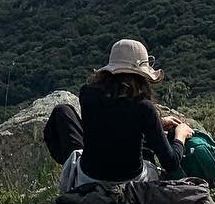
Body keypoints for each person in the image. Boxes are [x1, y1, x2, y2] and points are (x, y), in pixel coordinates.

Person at [45, 39, 190, 192]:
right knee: (145, 152)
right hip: (130, 182)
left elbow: (112, 124)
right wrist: (180, 136)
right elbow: (170, 163)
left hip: (87, 178)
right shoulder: (143, 108)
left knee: (63, 111)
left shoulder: (87, 94)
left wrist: (157, 124)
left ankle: (70, 172)